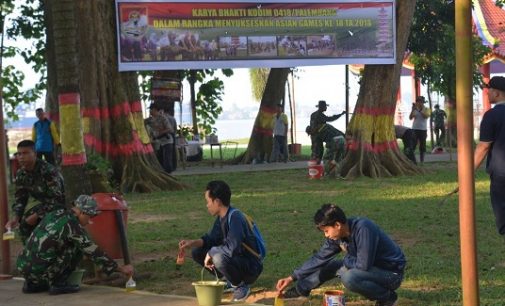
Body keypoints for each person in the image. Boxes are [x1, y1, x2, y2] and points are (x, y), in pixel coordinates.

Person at [276, 204, 405, 306]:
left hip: (391, 274)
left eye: (326, 231)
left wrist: (347, 259)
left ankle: (388, 298)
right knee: (331, 265)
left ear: (337, 225)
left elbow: (363, 265)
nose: (326, 235)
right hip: (369, 269)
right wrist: (291, 277)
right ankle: (300, 290)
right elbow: (319, 258)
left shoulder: (364, 228)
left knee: (349, 277)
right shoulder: (338, 236)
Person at [16, 195, 134, 295]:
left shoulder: (56, 213)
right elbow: (92, 250)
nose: (89, 221)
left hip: (24, 268)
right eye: (89, 216)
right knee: (77, 248)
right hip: (41, 271)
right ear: (81, 212)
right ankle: (58, 284)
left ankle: (32, 285)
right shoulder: (72, 226)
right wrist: (120, 268)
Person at [179, 180, 263, 302]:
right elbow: (211, 239)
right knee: (197, 252)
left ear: (217, 202)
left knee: (218, 257)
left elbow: (232, 247)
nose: (207, 205)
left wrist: (212, 252)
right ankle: (229, 279)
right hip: (236, 261)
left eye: (208, 201)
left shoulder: (235, 218)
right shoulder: (221, 218)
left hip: (251, 266)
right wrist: (192, 243)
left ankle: (240, 286)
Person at [5, 140, 65, 243]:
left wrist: (37, 215)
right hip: (46, 205)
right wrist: (16, 217)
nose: (21, 157)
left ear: (35, 154)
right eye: (19, 154)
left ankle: (46, 252)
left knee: (43, 228)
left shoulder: (48, 171)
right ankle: (30, 253)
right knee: (24, 225)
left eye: (25, 153)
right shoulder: (21, 174)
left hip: (60, 206)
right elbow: (21, 198)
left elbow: (58, 200)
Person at [474, 76, 505, 239]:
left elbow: (484, 146)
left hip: (501, 174)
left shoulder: (492, 116)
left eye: (489, 90)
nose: (486, 94)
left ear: (497, 93)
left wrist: (468, 170)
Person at [148, 104, 175, 173]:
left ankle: (169, 173)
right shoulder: (150, 120)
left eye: (151, 109)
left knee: (167, 159)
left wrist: (160, 133)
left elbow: (170, 129)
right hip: (159, 142)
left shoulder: (162, 118)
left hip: (167, 141)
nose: (150, 111)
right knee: (160, 158)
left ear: (155, 110)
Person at [409, 96, 430, 164]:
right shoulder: (415, 109)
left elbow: (425, 116)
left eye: (420, 102)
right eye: (417, 101)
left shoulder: (426, 109)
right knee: (413, 145)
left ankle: (422, 161)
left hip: (423, 129)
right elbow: (410, 118)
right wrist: (412, 110)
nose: (419, 103)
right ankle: (412, 160)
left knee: (422, 146)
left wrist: (419, 110)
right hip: (414, 129)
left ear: (423, 102)